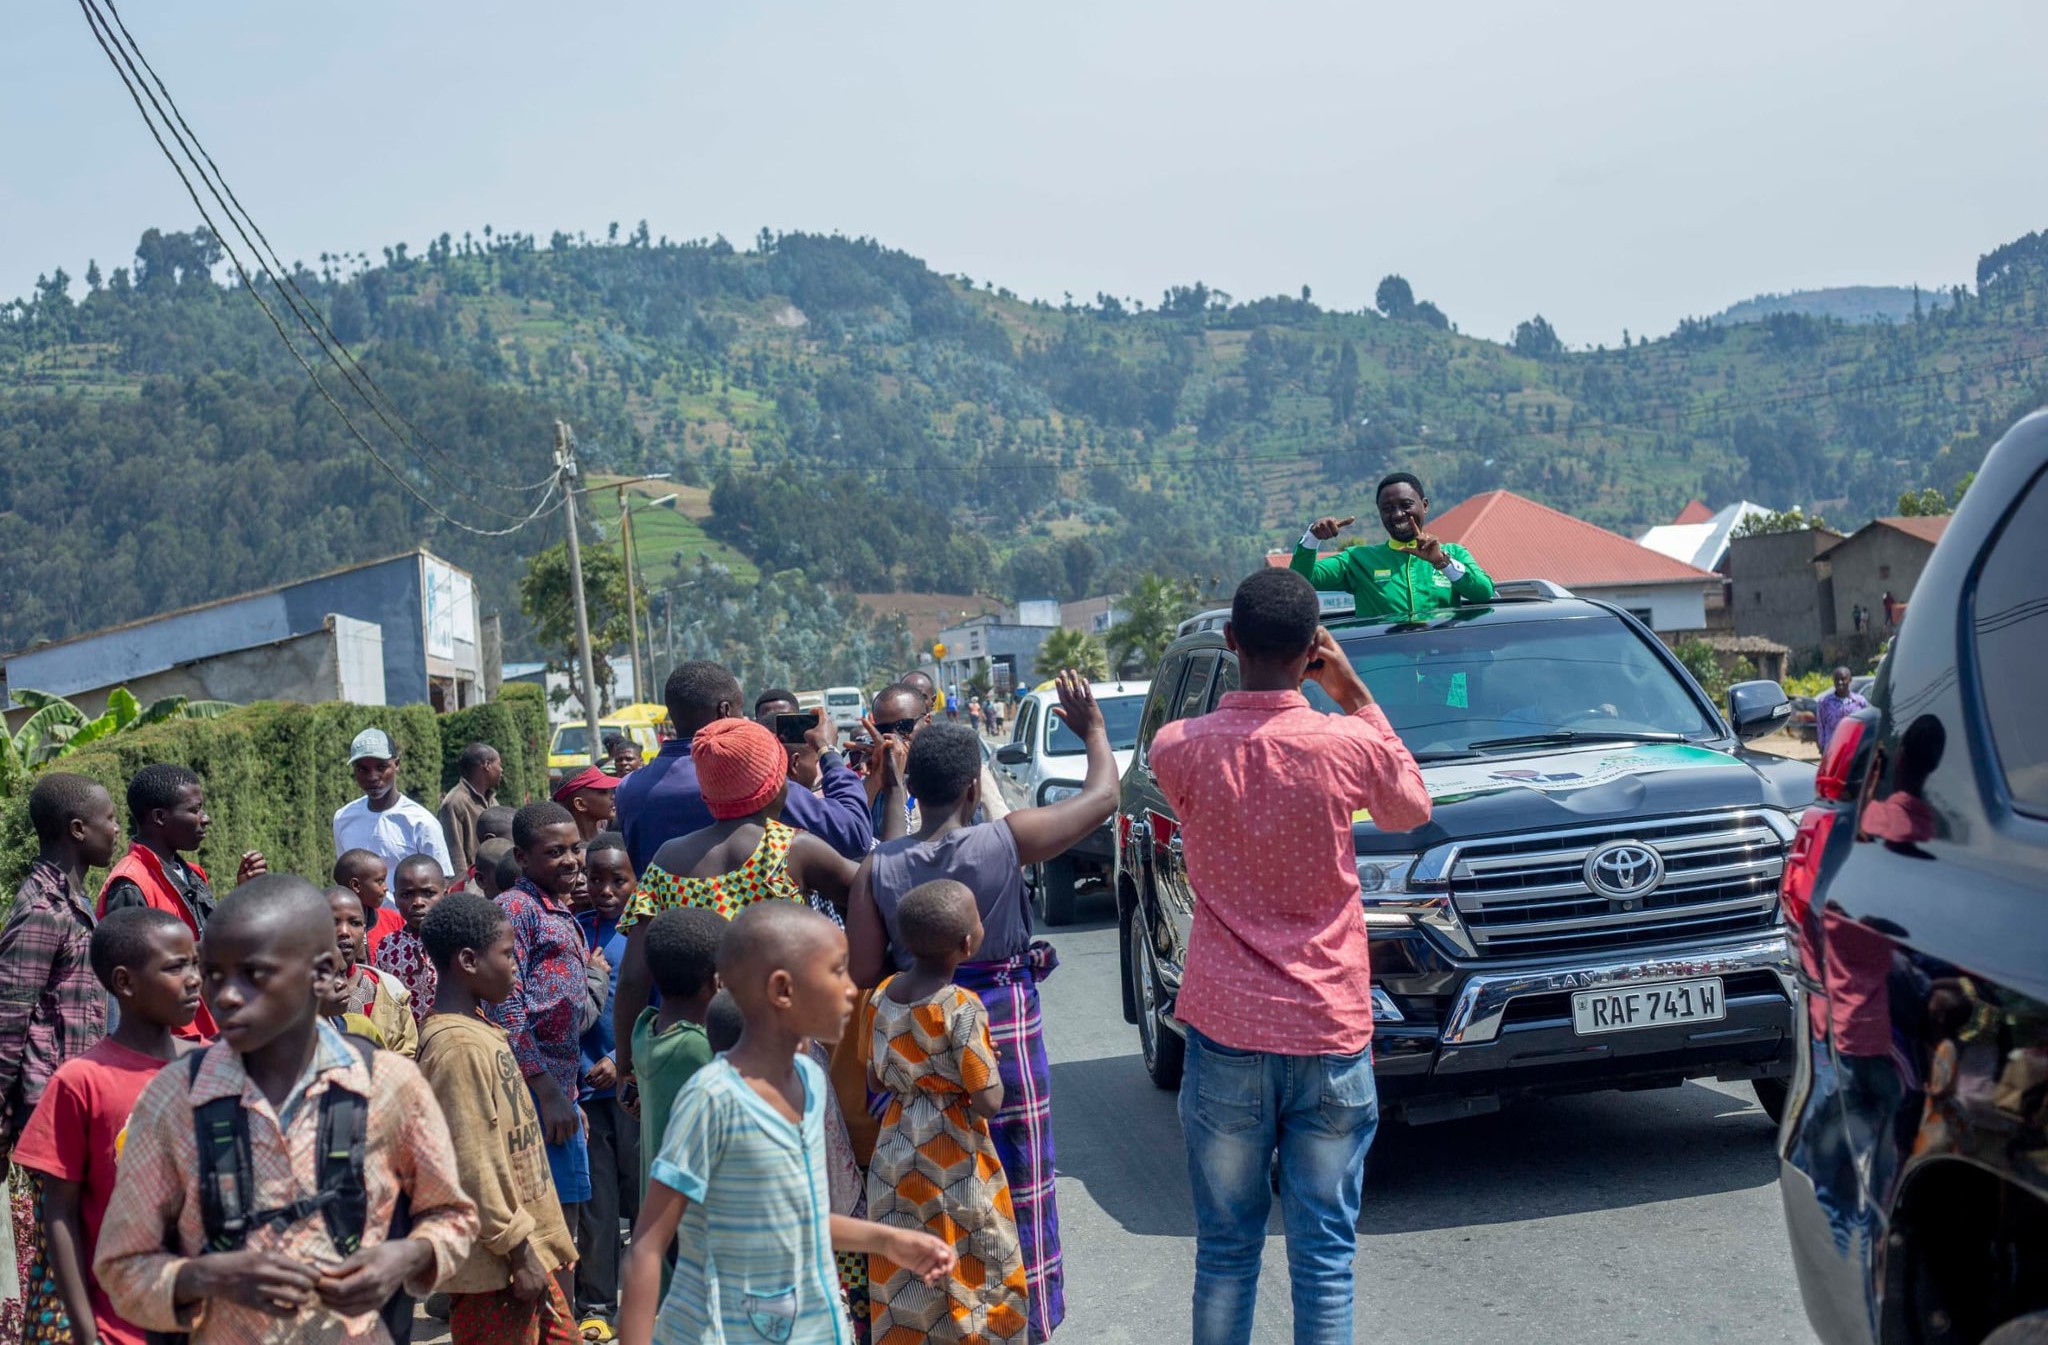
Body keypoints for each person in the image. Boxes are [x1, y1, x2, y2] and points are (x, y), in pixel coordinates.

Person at [1149, 567, 1431, 1345]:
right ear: (1313, 648)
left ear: (1231, 640)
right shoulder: (1344, 744)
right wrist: (1352, 692)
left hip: (1228, 1028)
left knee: (1227, 1250)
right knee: (1324, 1254)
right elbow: (1412, 804)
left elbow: (1192, 775)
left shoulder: (1182, 748)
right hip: (1329, 1027)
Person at [845, 672, 1118, 1342]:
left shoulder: (878, 868)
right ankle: (1024, 1323)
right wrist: (1093, 731)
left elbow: (860, 970)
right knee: (1019, 1180)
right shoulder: (1006, 839)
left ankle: (938, 1321)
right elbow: (1104, 795)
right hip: (1004, 1030)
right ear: (973, 788)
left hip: (915, 1039)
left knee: (933, 1186)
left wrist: (892, 793)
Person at [94, 874, 478, 1344]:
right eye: (212, 974)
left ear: (321, 973)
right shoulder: (174, 1098)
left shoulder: (388, 1086)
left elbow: (454, 1217)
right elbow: (119, 1264)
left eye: (254, 974)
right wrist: (204, 1277)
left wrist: (405, 1259)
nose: (226, 995)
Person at [617, 902, 953, 1345]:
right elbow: (646, 1246)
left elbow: (799, 1219)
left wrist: (888, 1241)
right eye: (837, 972)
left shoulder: (811, 1080)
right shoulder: (712, 1099)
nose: (852, 989)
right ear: (782, 990)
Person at [613, 683, 889, 1083]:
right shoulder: (793, 849)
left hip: (688, 1055)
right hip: (780, 1050)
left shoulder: (667, 859)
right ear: (777, 784)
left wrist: (626, 1067)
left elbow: (634, 976)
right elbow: (872, 889)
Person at [11, 907, 199, 1345]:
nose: (194, 978)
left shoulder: (212, 1065)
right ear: (124, 983)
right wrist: (84, 1330)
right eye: (175, 967)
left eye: (195, 963)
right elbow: (59, 1213)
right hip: (121, 1328)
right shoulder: (81, 1082)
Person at [861, 881, 1028, 1343]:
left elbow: (875, 1078)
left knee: (908, 1278)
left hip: (894, 1156)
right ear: (968, 943)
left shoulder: (880, 996)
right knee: (977, 1269)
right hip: (953, 1154)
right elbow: (988, 1100)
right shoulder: (961, 1007)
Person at [417, 892, 579, 1345]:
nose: (514, 966)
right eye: (507, 955)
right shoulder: (457, 1048)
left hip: (521, 1257)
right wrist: (517, 1251)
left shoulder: (481, 1029)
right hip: (496, 1268)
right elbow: (473, 1166)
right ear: (468, 960)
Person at [615, 662, 873, 880]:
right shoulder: (744, 777)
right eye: (741, 710)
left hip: (667, 933)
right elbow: (853, 834)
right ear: (725, 711)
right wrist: (828, 751)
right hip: (753, 933)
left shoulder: (628, 789)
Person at [487, 802, 595, 1249]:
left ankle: (560, 1316)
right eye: (554, 852)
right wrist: (547, 1090)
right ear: (522, 858)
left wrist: (567, 1092)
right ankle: (550, 1317)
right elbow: (508, 1007)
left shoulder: (556, 907)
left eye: (575, 849)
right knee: (548, 1224)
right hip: (530, 1088)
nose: (570, 860)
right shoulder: (517, 908)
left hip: (558, 1085)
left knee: (566, 1214)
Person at [0, 774, 123, 1158]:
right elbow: (8, 1021)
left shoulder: (75, 901)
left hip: (86, 1096)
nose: (117, 829)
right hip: (55, 1111)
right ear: (78, 829)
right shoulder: (43, 910)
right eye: (110, 818)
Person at [99, 764, 265, 1041]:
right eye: (194, 810)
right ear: (160, 817)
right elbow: (133, 983)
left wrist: (242, 895)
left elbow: (211, 945)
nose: (205, 818)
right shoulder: (131, 883)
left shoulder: (191, 873)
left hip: (207, 1032)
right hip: (171, 1045)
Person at [572, 833, 637, 1337]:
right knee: (598, 1206)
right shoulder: (575, 931)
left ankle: (649, 1298)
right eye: (596, 878)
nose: (606, 889)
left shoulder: (642, 935)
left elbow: (658, 1005)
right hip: (585, 1091)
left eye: (618, 879)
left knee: (643, 1198)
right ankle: (596, 1306)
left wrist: (621, 1059)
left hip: (634, 1087)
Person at [1291, 471, 1495, 620]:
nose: (1397, 514)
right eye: (1387, 508)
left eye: (1406, 505)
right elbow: (1300, 581)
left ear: (1424, 505)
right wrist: (1312, 538)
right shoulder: (1358, 560)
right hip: (1385, 676)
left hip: (1443, 674)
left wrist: (1442, 562)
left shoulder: (1453, 553)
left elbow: (1483, 592)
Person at [333, 727, 454, 883]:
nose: (372, 777)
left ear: (396, 764)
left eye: (381, 767)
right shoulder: (343, 818)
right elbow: (344, 878)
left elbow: (442, 882)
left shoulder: (421, 823)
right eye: (362, 769)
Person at [327, 885, 420, 1058]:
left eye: (354, 923)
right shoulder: (302, 993)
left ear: (364, 930)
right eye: (333, 923)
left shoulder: (389, 990)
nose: (344, 932)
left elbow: (407, 1053)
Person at [376, 853, 448, 1028]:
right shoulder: (388, 947)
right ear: (396, 899)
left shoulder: (459, 940)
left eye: (428, 893)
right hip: (409, 1043)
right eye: (407, 895)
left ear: (445, 895)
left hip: (455, 1036)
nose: (417, 902)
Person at [439, 743, 503, 884]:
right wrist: (462, 888)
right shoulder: (455, 802)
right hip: (473, 886)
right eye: (499, 764)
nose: (501, 770)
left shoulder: (492, 800)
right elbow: (455, 854)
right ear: (487, 765)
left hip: (495, 882)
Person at [335, 848, 409, 959]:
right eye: (380, 881)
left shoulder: (394, 921)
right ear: (356, 885)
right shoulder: (331, 928)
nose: (385, 888)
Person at [553, 765, 622, 843]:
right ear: (580, 804)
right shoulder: (567, 850)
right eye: (603, 792)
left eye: (611, 791)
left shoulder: (611, 840)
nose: (613, 797)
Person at [1814, 665, 1870, 755]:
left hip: (1854, 749)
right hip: (1832, 749)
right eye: (1836, 679)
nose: (1840, 682)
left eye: (1843, 679)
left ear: (1849, 680)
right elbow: (1821, 726)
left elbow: (1867, 723)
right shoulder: (1824, 702)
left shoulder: (1859, 701)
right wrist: (1822, 746)